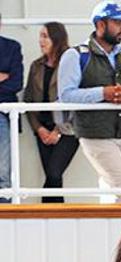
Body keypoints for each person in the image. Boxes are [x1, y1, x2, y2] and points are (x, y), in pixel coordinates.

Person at [58, 1, 121, 203]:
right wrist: (103, 93)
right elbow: (66, 96)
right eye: (117, 22)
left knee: (114, 190)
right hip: (95, 134)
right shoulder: (75, 55)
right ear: (100, 25)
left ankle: (109, 233)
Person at [23, 22, 79, 203]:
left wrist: (58, 130)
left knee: (54, 174)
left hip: (68, 129)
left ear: (57, 38)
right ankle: (56, 222)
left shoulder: (70, 61)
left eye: (45, 36)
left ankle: (45, 217)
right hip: (42, 130)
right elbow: (29, 100)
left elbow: (75, 98)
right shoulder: (36, 66)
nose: (41, 41)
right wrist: (39, 129)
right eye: (40, 36)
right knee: (54, 178)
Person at [0, 12, 24, 194]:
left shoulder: (12, 48)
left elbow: (16, 83)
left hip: (4, 113)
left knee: (3, 173)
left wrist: (7, 79)